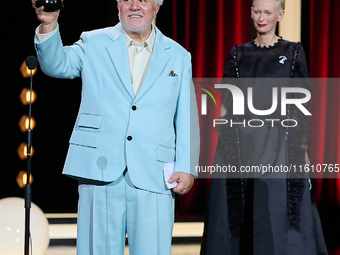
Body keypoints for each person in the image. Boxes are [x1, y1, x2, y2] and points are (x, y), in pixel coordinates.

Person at [32, 0, 200, 254]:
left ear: (156, 7)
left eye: (143, 0)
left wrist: (187, 167)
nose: (134, 6)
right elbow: (56, 65)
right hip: (99, 170)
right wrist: (49, 24)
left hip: (153, 174)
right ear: (118, 5)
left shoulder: (178, 55)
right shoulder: (93, 42)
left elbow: (186, 114)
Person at [200, 0, 328, 254]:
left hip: (280, 144)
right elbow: (227, 105)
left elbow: (301, 108)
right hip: (239, 143)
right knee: (233, 219)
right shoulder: (238, 53)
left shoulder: (293, 52)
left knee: (279, 217)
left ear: (280, 14)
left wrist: (301, 152)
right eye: (257, 11)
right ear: (250, 12)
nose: (262, 17)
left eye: (268, 12)